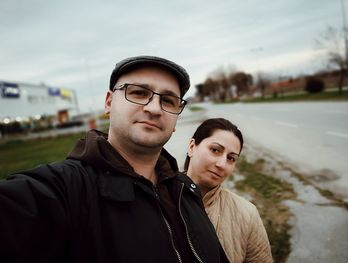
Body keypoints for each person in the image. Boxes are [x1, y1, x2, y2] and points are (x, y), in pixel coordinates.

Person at [0, 56, 229, 263]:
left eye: (168, 101)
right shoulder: (66, 190)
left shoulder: (185, 190)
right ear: (109, 102)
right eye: (138, 92)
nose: (154, 108)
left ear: (176, 117)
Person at [184, 118, 273, 263]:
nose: (222, 164)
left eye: (231, 158)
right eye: (215, 150)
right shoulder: (158, 197)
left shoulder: (247, 214)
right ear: (192, 146)